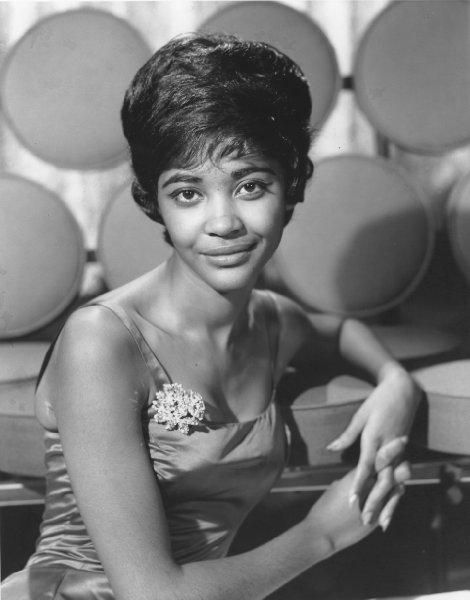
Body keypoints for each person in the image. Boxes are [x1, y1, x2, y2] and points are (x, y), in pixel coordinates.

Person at [2, 33, 421, 600]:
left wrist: (397, 386)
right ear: (155, 200)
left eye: (250, 185)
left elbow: (341, 331)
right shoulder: (101, 341)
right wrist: (321, 535)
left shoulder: (273, 323)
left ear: (291, 182)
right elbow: (151, 594)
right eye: (188, 193)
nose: (223, 222)